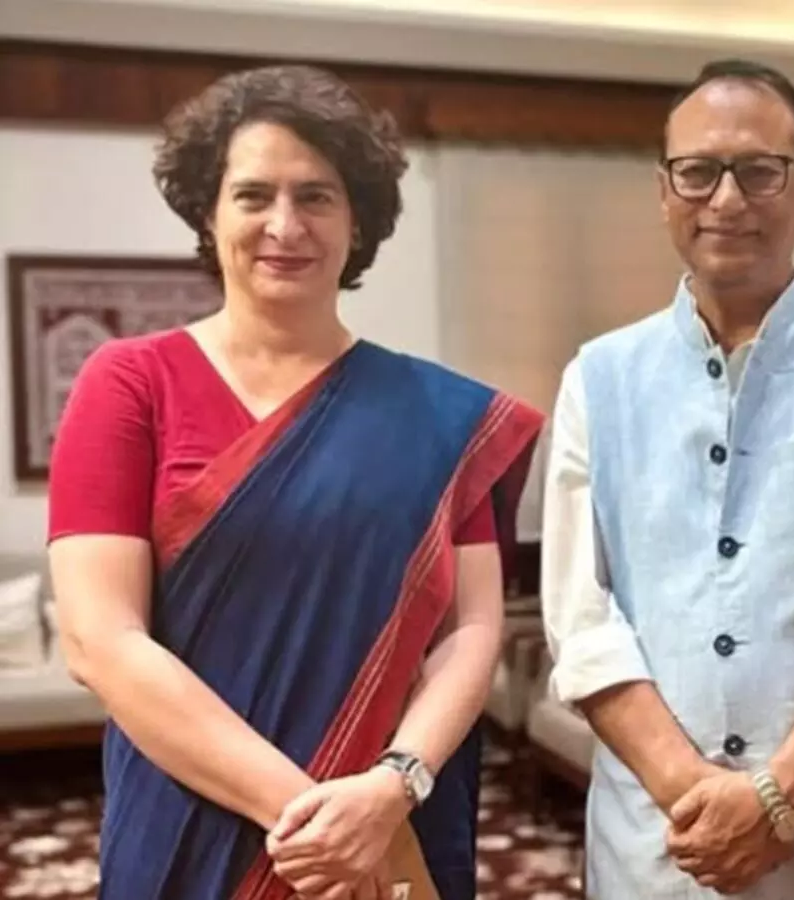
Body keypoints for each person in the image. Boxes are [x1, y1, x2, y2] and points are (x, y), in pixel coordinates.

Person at [46, 65, 544, 900]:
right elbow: (100, 640)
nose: (285, 225)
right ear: (208, 213)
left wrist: (392, 787)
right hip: (193, 814)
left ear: (358, 221)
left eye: (316, 196)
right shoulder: (131, 384)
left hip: (391, 812)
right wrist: (320, 821)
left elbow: (471, 627)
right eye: (253, 195)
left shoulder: (442, 416)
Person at [539, 58, 794, 898]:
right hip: (660, 848)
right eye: (698, 172)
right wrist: (696, 797)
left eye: (760, 171)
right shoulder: (598, 377)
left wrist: (778, 795)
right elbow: (582, 621)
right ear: (664, 192)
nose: (727, 199)